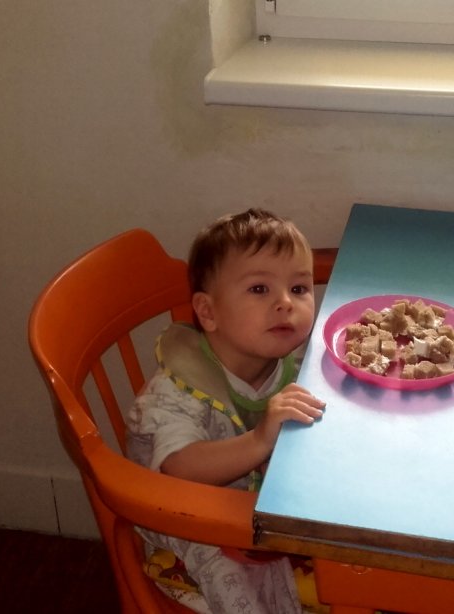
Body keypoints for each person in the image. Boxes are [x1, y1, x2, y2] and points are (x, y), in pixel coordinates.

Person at [125, 208, 327, 614]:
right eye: (259, 289)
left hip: (256, 505)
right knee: (238, 583)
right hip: (188, 520)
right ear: (208, 312)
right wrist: (259, 440)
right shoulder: (178, 390)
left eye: (299, 288)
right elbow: (179, 467)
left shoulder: (294, 360)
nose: (285, 303)